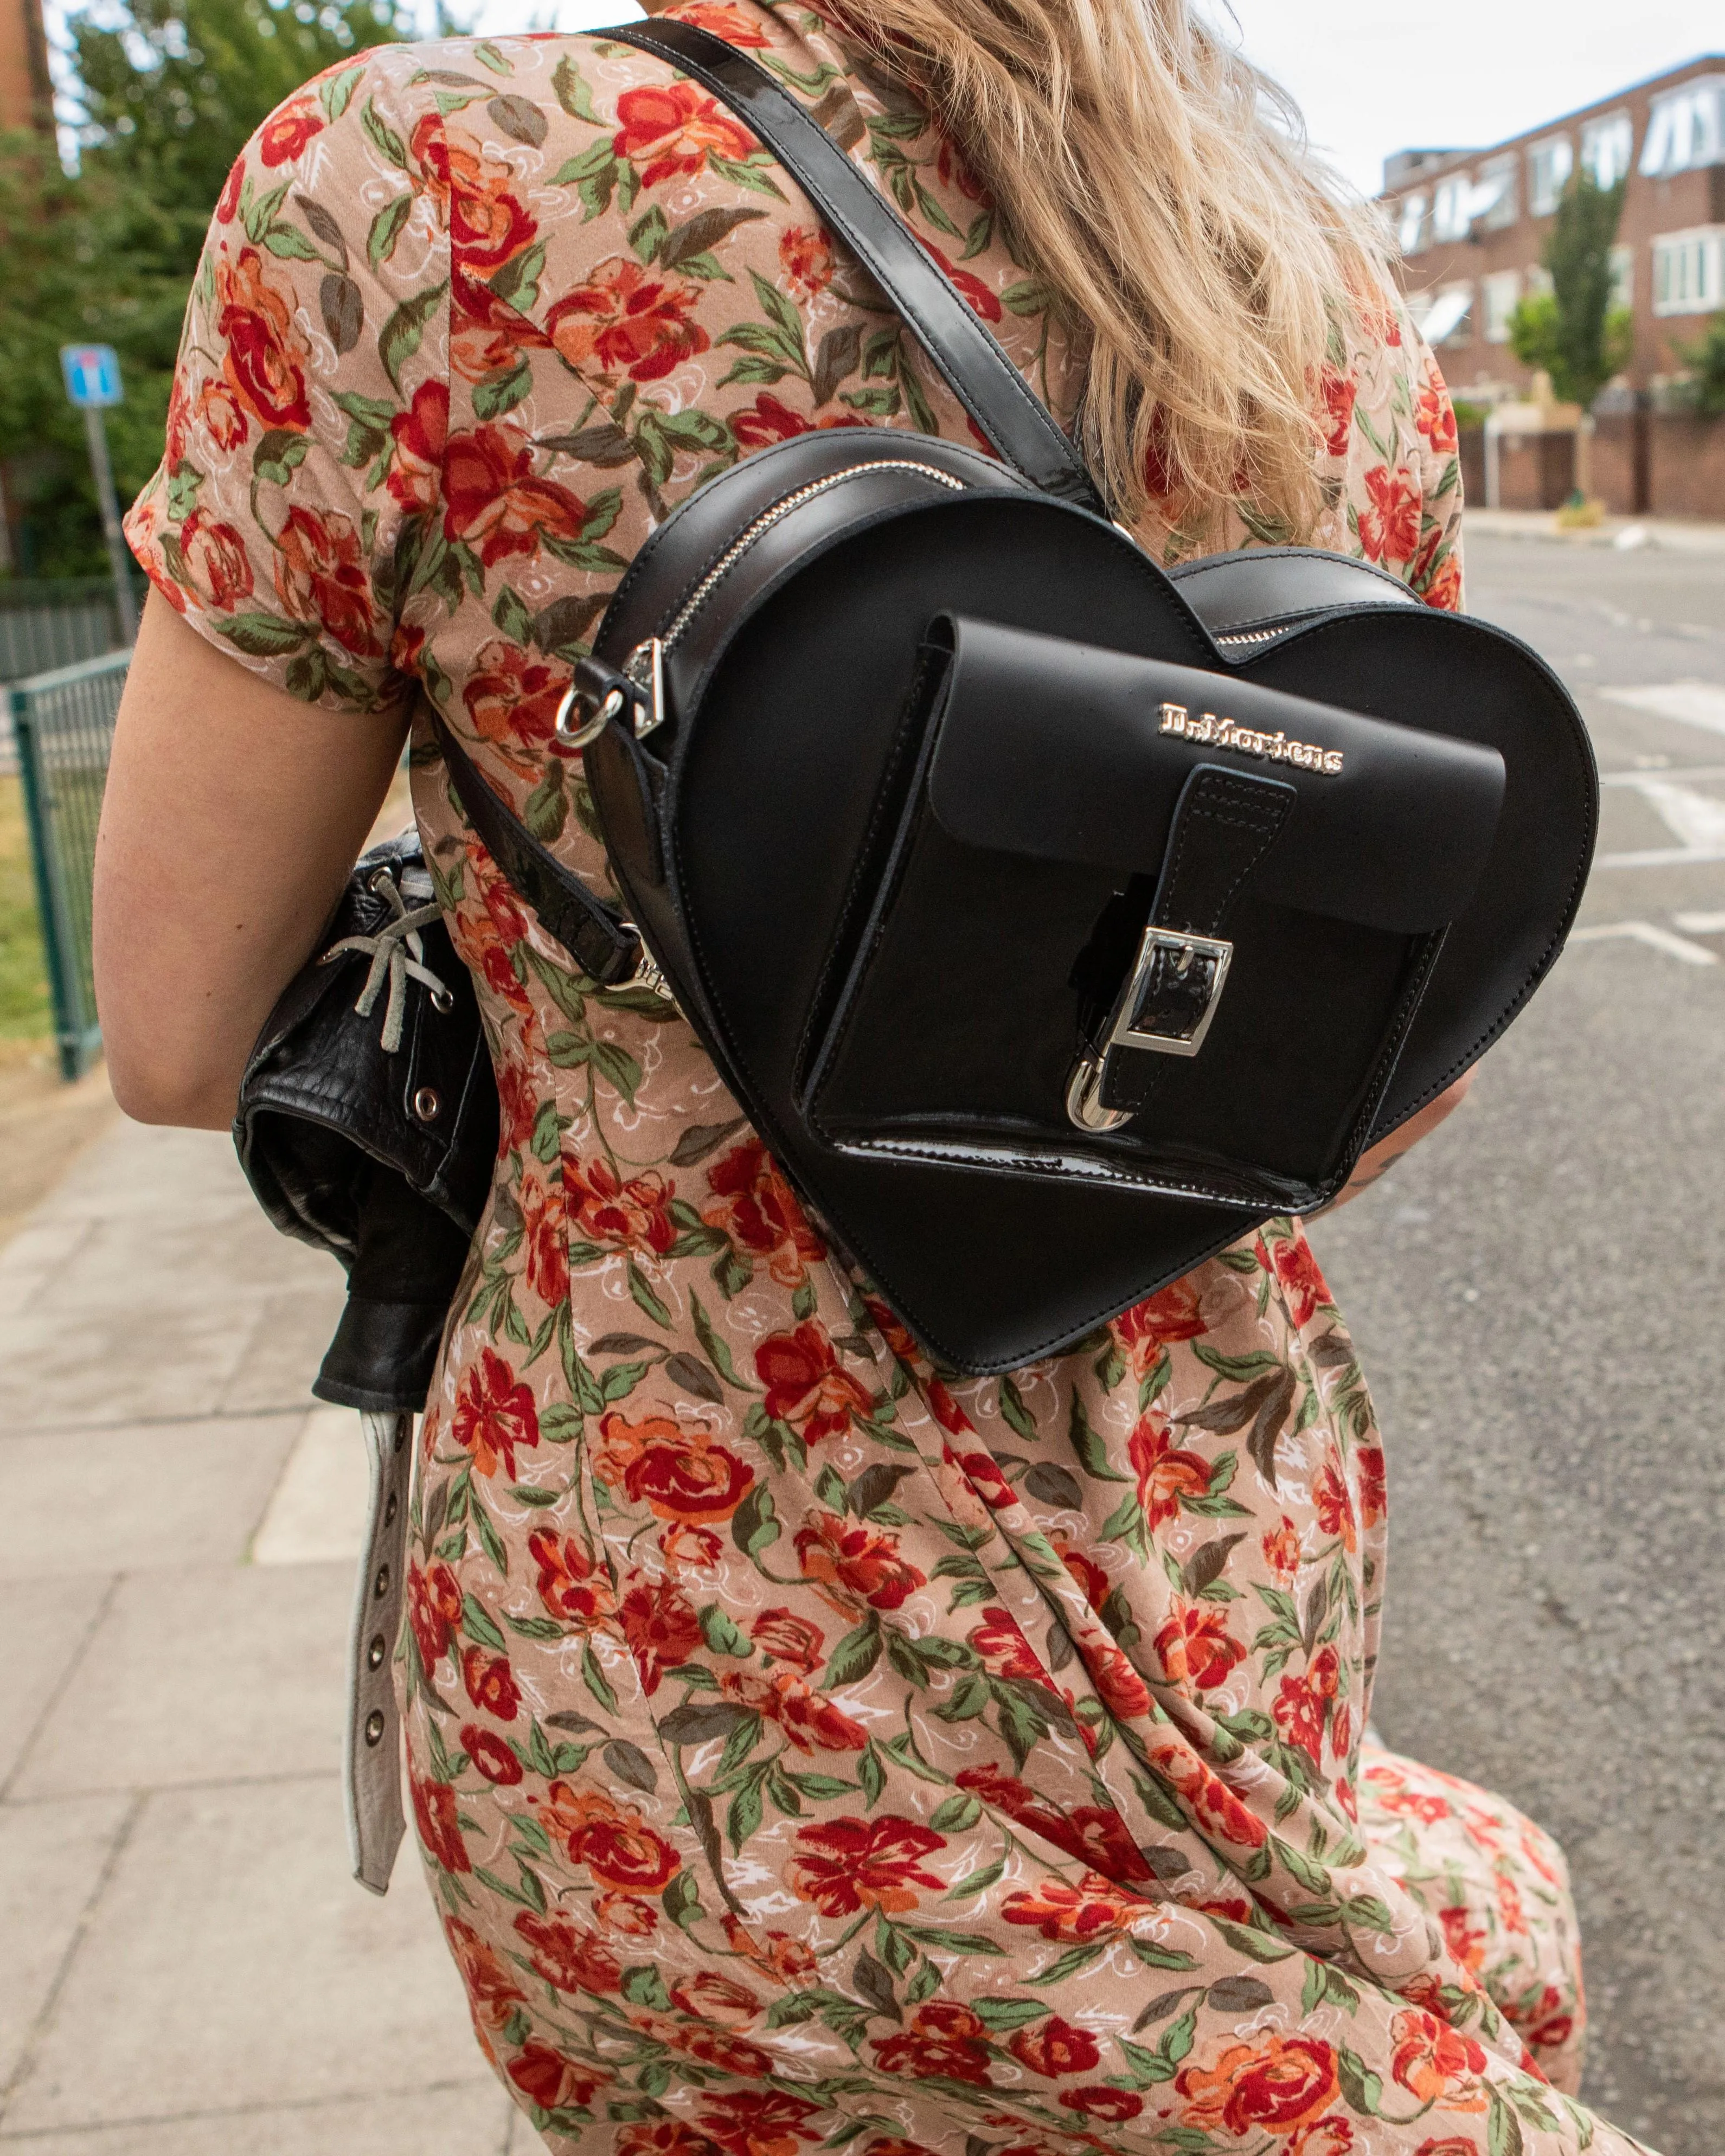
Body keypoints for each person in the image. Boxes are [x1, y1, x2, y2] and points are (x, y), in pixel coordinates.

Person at [93, 2, 1649, 2150]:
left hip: (682, 1671)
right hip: (1211, 1601)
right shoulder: (1315, 299)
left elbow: (175, 1033)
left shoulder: (425, 191)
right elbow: (1379, 1091)